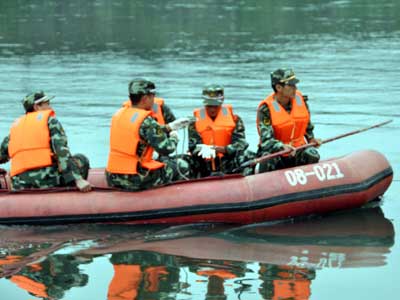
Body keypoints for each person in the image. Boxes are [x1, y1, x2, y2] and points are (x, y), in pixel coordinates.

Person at [106, 78, 191, 191]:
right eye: (152, 96)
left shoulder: (119, 114)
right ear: (145, 98)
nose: (153, 100)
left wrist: (169, 127)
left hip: (113, 176)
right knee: (180, 165)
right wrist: (174, 137)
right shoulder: (146, 121)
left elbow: (141, 132)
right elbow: (167, 148)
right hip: (135, 178)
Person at [0, 91, 91, 192]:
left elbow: (2, 155)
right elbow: (61, 151)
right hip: (47, 181)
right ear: (36, 106)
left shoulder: (16, 127)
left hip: (20, 184)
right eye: (47, 103)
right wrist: (78, 179)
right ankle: (72, 195)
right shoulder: (50, 121)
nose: (50, 107)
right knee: (81, 159)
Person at [256, 68, 321, 173]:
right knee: (267, 159)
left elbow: (307, 126)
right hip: (277, 153)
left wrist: (311, 139)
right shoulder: (266, 109)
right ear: (278, 87)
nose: (295, 88)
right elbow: (266, 140)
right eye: (291, 85)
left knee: (312, 154)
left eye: (294, 84)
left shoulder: (301, 100)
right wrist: (281, 147)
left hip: (298, 150)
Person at [187, 84, 254, 177]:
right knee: (184, 161)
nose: (212, 109)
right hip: (204, 162)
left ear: (221, 102)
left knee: (248, 155)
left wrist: (223, 149)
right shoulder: (194, 122)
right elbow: (192, 146)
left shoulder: (235, 119)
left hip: (227, 161)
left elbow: (241, 143)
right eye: (209, 105)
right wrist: (203, 149)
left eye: (215, 106)